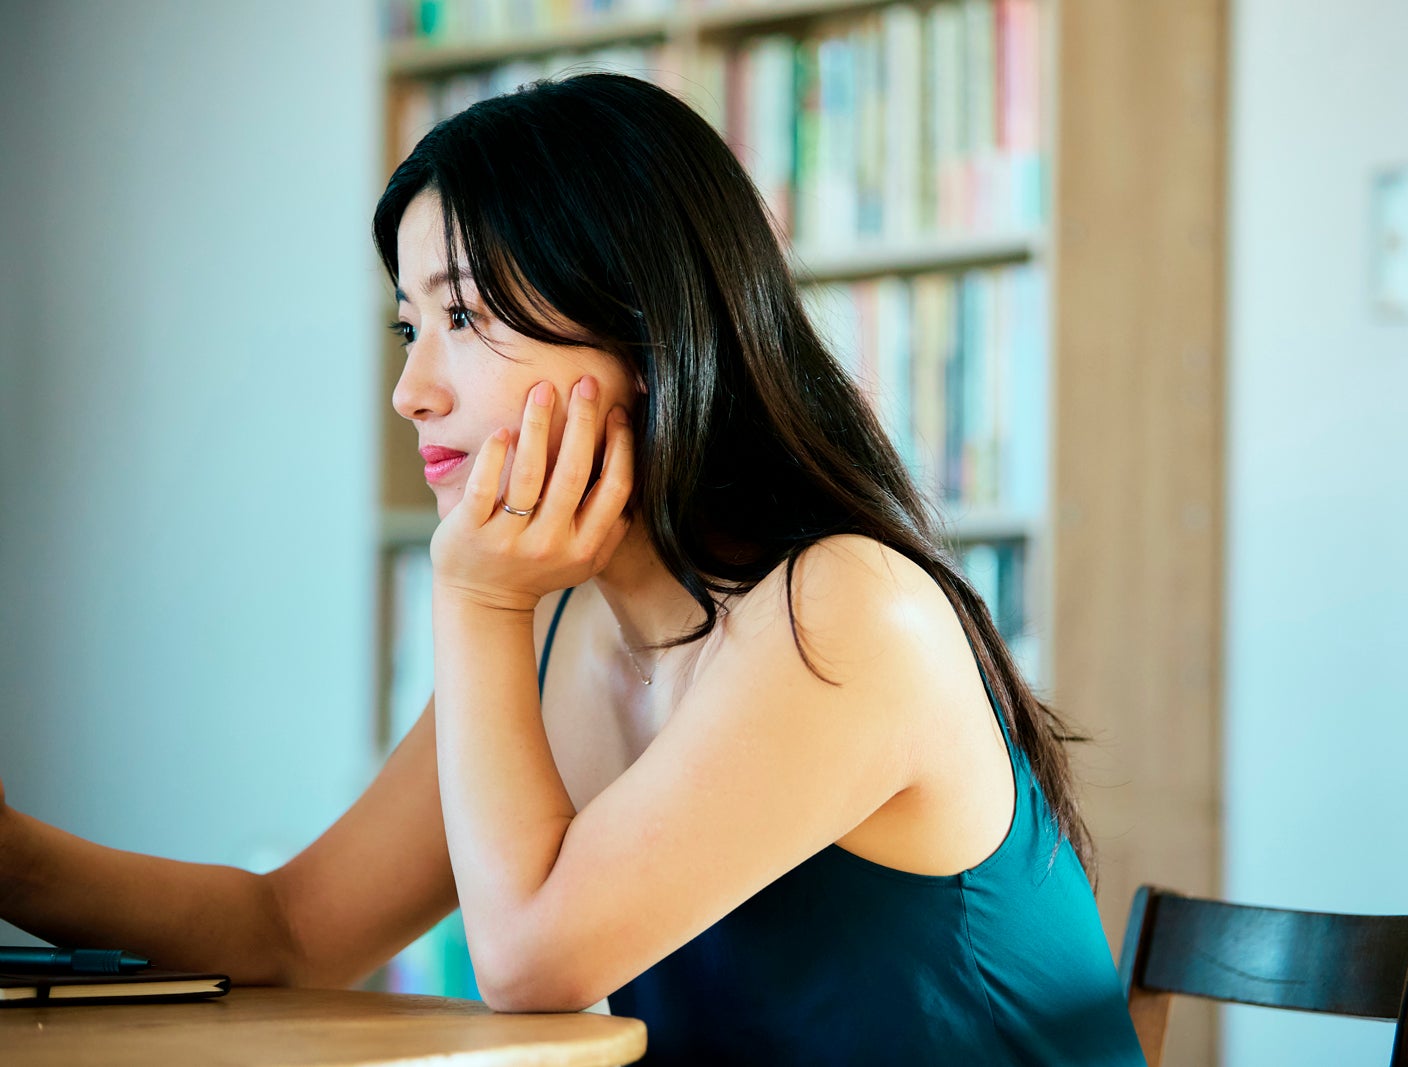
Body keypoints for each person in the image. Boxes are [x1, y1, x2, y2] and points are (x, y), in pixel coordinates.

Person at [0, 72, 1144, 1065]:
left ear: (645, 334)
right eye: (411, 326)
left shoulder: (844, 610)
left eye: (466, 314)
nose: (414, 389)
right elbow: (295, 929)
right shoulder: (569, 632)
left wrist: (481, 594)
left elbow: (530, 962)